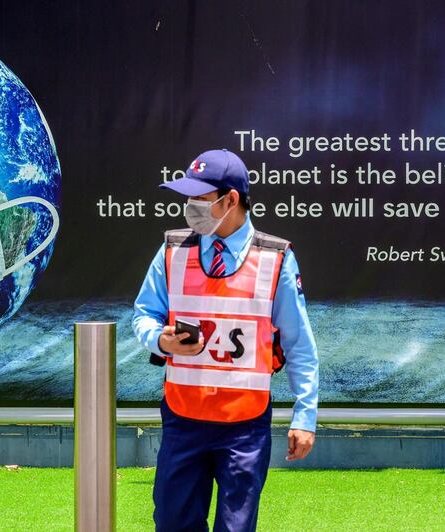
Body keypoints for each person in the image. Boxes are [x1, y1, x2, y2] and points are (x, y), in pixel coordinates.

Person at [132, 149, 319, 532]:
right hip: (183, 418)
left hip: (244, 425)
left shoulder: (276, 259)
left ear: (230, 199)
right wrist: (160, 341)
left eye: (199, 200)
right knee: (171, 523)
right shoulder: (172, 250)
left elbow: (299, 342)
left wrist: (305, 415)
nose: (189, 208)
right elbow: (144, 315)